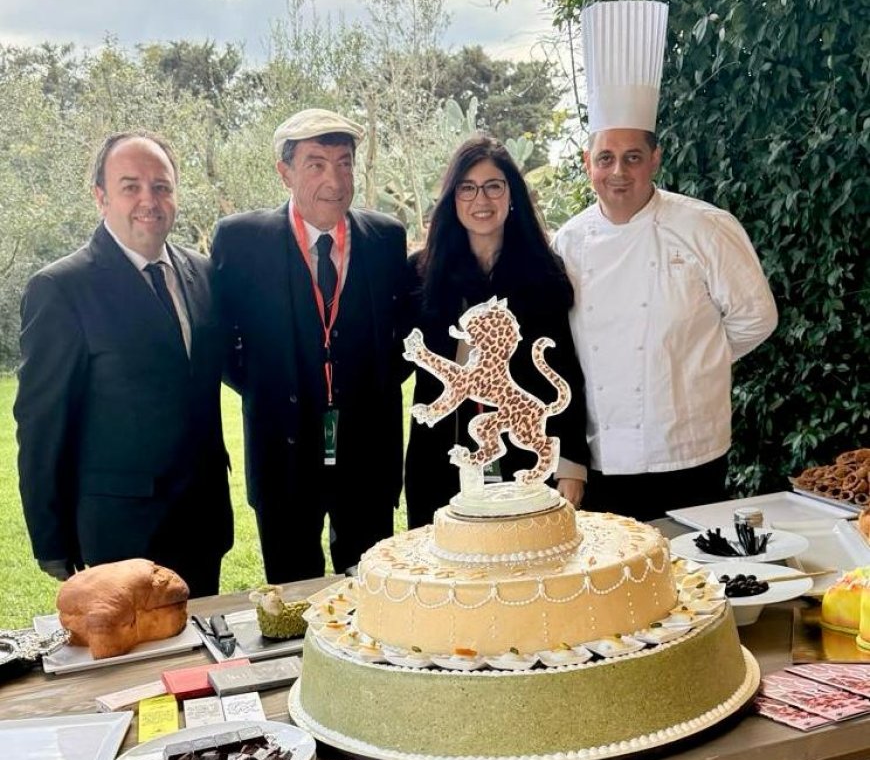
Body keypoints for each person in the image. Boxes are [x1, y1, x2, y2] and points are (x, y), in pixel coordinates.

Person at [553, 1, 778, 522]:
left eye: (633, 157)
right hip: (603, 457)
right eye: (606, 158)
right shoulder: (568, 241)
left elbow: (756, 317)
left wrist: (688, 365)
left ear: (655, 158)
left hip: (689, 449)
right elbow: (562, 342)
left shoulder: (705, 226)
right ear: (588, 163)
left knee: (692, 566)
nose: (619, 171)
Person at [14, 131, 232, 597]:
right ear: (101, 197)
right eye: (130, 186)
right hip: (122, 531)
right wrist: (50, 538)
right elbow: (41, 424)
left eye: (161, 186)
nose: (148, 200)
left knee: (200, 641)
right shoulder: (61, 288)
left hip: (202, 519)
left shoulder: (203, 274)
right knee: (135, 646)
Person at [212, 108, 408, 583]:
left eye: (344, 164)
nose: (334, 181)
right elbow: (221, 341)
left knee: (371, 591)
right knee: (291, 595)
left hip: (367, 457)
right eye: (316, 164)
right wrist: (271, 387)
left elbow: (401, 338)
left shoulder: (386, 238)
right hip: (283, 455)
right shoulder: (241, 240)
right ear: (285, 172)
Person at [404, 134, 589, 528]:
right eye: (467, 188)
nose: (481, 200)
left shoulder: (544, 272)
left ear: (511, 195)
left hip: (524, 459)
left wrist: (571, 462)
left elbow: (565, 368)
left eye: (493, 186)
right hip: (442, 455)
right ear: (453, 199)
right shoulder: (421, 272)